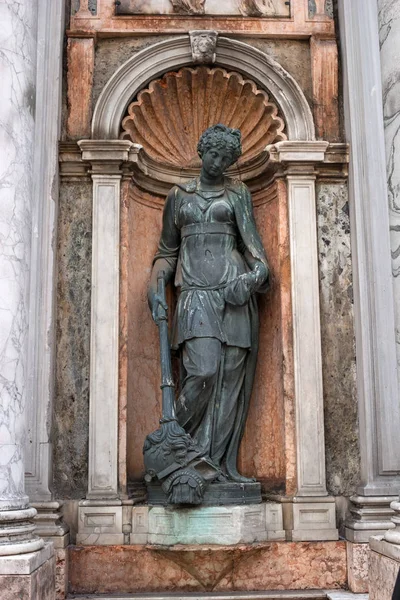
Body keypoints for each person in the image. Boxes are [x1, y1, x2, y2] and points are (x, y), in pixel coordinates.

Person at [148, 124, 269, 483]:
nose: (217, 162)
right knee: (203, 372)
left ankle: (212, 467)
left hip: (233, 298)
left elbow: (257, 257)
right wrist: (156, 285)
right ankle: (170, 448)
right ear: (202, 151)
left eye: (226, 158)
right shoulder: (179, 195)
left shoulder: (238, 194)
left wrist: (249, 280)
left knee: (228, 385)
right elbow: (166, 252)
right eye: (213, 154)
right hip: (195, 296)